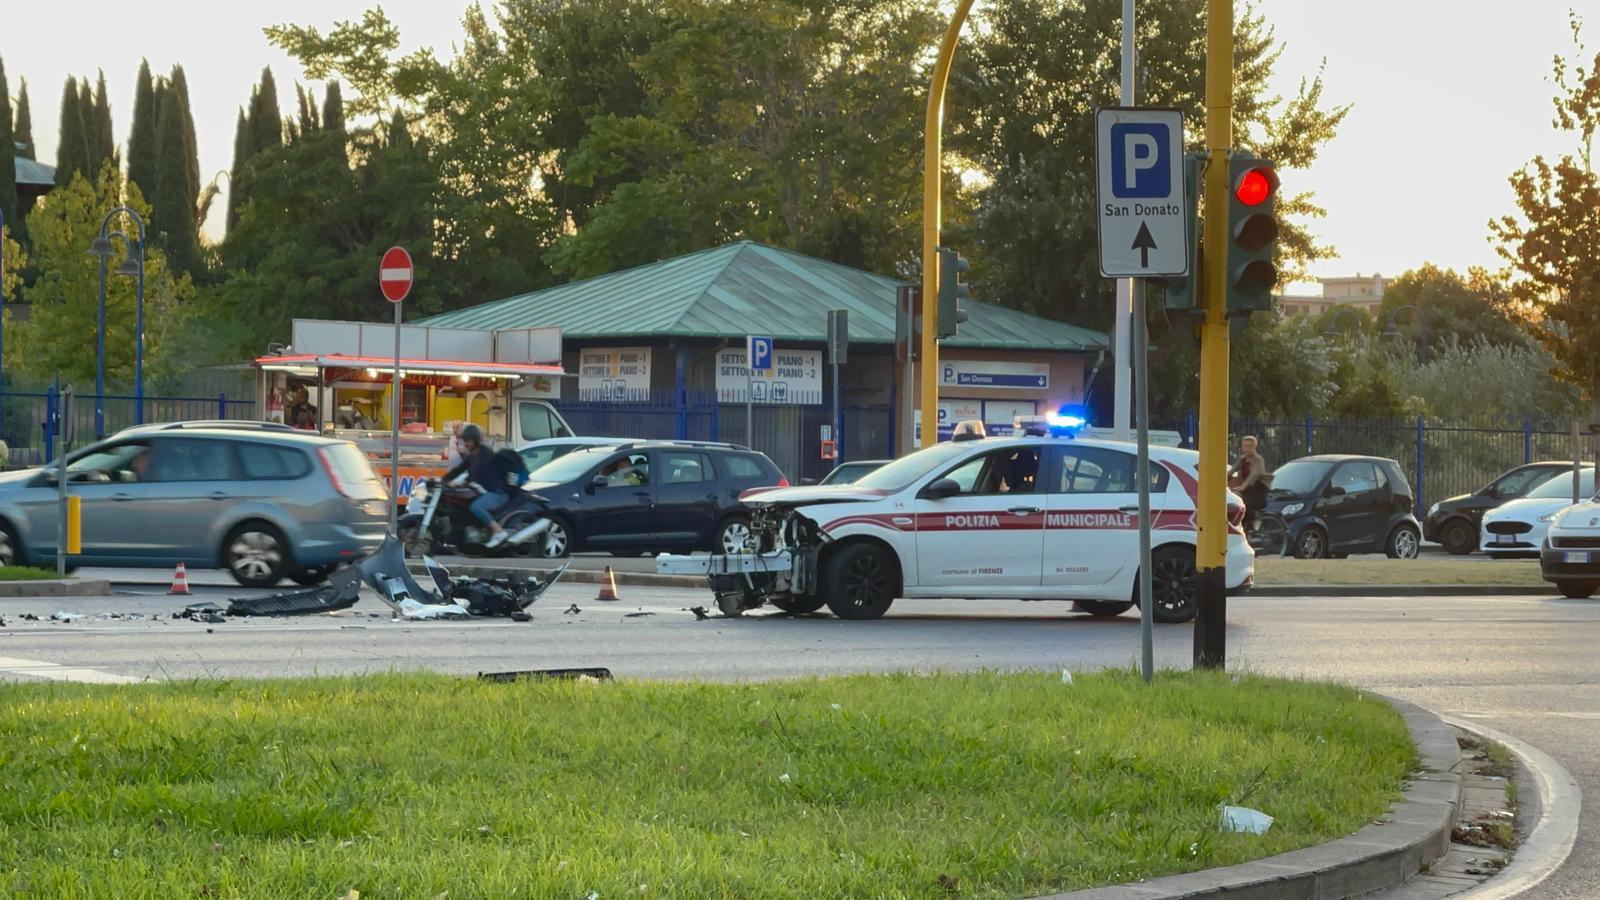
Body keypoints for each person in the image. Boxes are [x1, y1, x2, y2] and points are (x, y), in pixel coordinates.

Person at [444, 424, 510, 549]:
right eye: (465, 441)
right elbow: (459, 469)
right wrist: (443, 480)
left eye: (468, 441)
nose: (466, 444)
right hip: (485, 491)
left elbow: (480, 472)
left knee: (476, 507)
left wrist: (464, 482)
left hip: (497, 493)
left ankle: (499, 532)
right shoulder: (472, 455)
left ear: (475, 441)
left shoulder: (485, 453)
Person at [1228, 435, 1270, 530]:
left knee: (1243, 501)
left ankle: (1256, 519)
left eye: (1249, 446)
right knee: (1234, 499)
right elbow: (1232, 471)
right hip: (1247, 490)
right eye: (1244, 446)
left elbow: (1253, 476)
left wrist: (1243, 486)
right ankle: (1244, 526)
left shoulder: (1258, 460)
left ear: (1254, 446)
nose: (1246, 449)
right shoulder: (1242, 459)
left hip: (1259, 491)